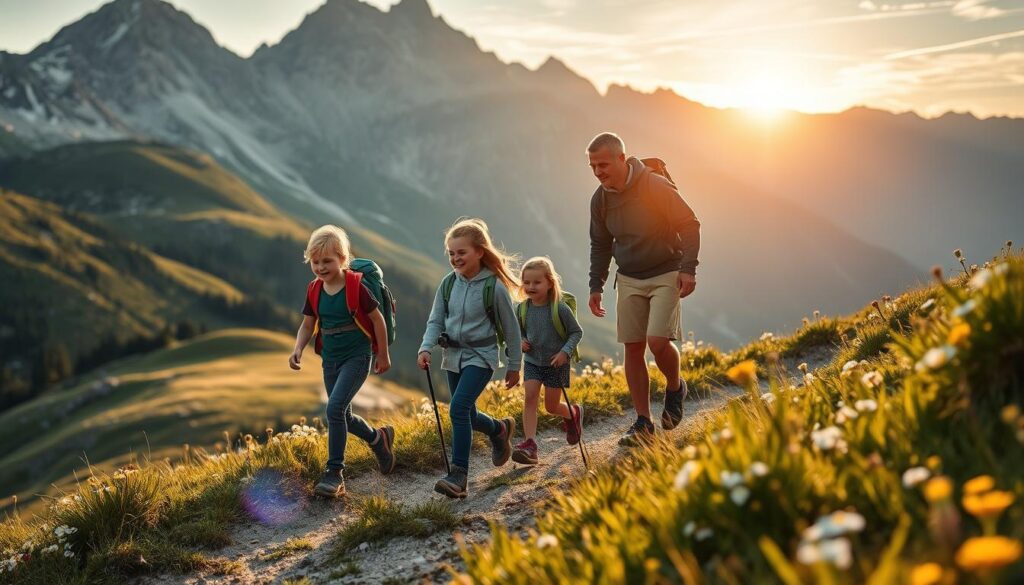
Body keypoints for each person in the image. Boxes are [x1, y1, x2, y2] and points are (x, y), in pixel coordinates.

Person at [586, 132, 701, 446]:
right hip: (629, 277)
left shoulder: (653, 185)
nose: (599, 172)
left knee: (657, 341)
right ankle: (643, 422)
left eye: (604, 164)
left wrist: (688, 269)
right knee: (633, 347)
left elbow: (690, 223)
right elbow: (600, 244)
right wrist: (595, 285)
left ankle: (675, 387)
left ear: (622, 159)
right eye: (593, 166)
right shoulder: (600, 198)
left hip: (666, 271)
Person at [417, 218, 522, 498]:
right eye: (451, 253)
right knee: (468, 413)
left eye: (461, 252)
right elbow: (436, 319)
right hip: (453, 355)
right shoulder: (448, 284)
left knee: (458, 409)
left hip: (482, 356)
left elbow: (511, 328)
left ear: (479, 251)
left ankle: (459, 475)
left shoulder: (494, 287)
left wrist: (514, 364)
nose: (455, 258)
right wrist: (426, 347)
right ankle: (499, 429)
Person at [289, 225, 395, 497]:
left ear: (342, 259)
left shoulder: (355, 286)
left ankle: (334, 473)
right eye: (315, 262)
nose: (321, 267)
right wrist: (298, 348)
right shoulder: (314, 290)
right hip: (330, 358)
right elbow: (308, 324)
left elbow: (377, 319)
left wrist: (382, 353)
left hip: (357, 356)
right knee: (343, 415)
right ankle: (378, 439)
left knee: (334, 409)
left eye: (327, 261)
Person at [512, 257, 584, 465]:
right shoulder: (522, 309)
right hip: (534, 361)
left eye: (537, 282)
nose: (530, 287)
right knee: (530, 397)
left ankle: (573, 413)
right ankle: (530, 445)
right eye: (526, 282)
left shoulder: (560, 308)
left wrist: (565, 352)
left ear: (550, 283)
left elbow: (576, 332)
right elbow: (519, 332)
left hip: (556, 363)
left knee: (551, 407)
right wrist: (520, 342)